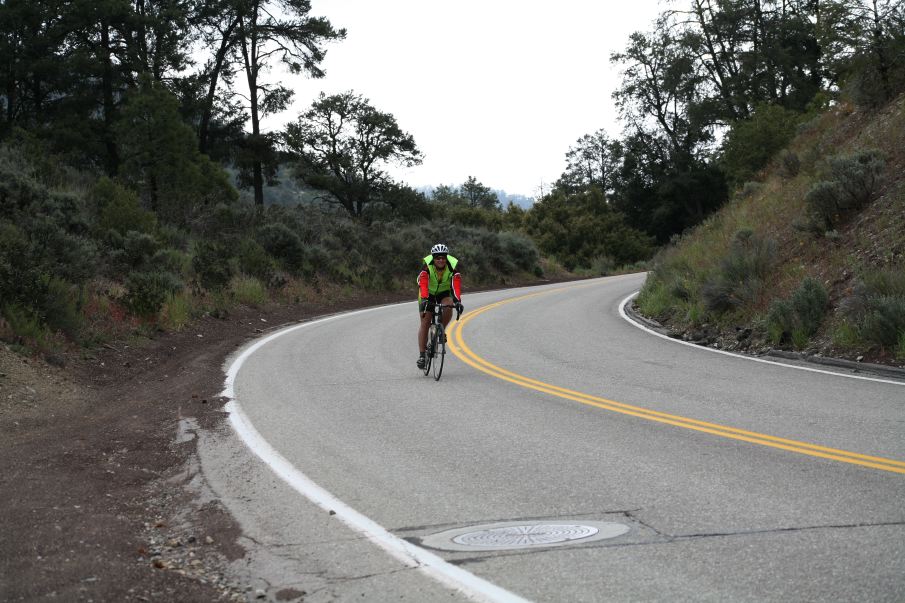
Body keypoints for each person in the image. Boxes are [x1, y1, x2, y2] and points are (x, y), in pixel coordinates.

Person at [417, 243, 463, 369]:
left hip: (443, 293)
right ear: (434, 259)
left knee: (449, 305)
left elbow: (456, 287)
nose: (441, 260)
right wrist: (425, 300)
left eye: (443, 258)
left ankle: (441, 330)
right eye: (438, 258)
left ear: (446, 258)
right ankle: (422, 355)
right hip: (427, 294)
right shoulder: (426, 269)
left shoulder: (453, 269)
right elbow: (424, 285)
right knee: (425, 322)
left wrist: (458, 301)